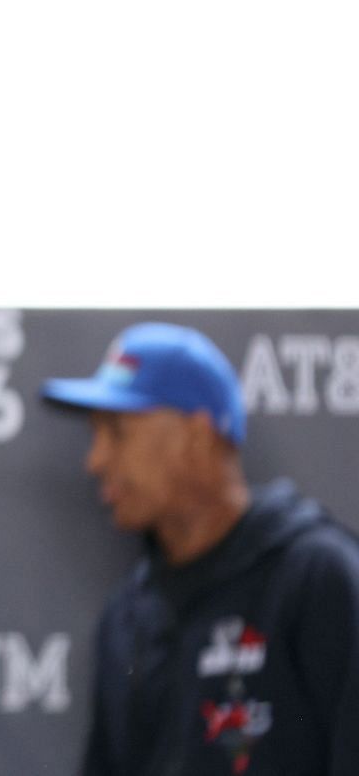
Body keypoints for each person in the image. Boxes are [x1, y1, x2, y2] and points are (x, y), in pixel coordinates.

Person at [43, 322, 359, 776]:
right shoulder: (125, 618)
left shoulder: (317, 579)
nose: (95, 459)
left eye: (117, 431)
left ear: (195, 435)